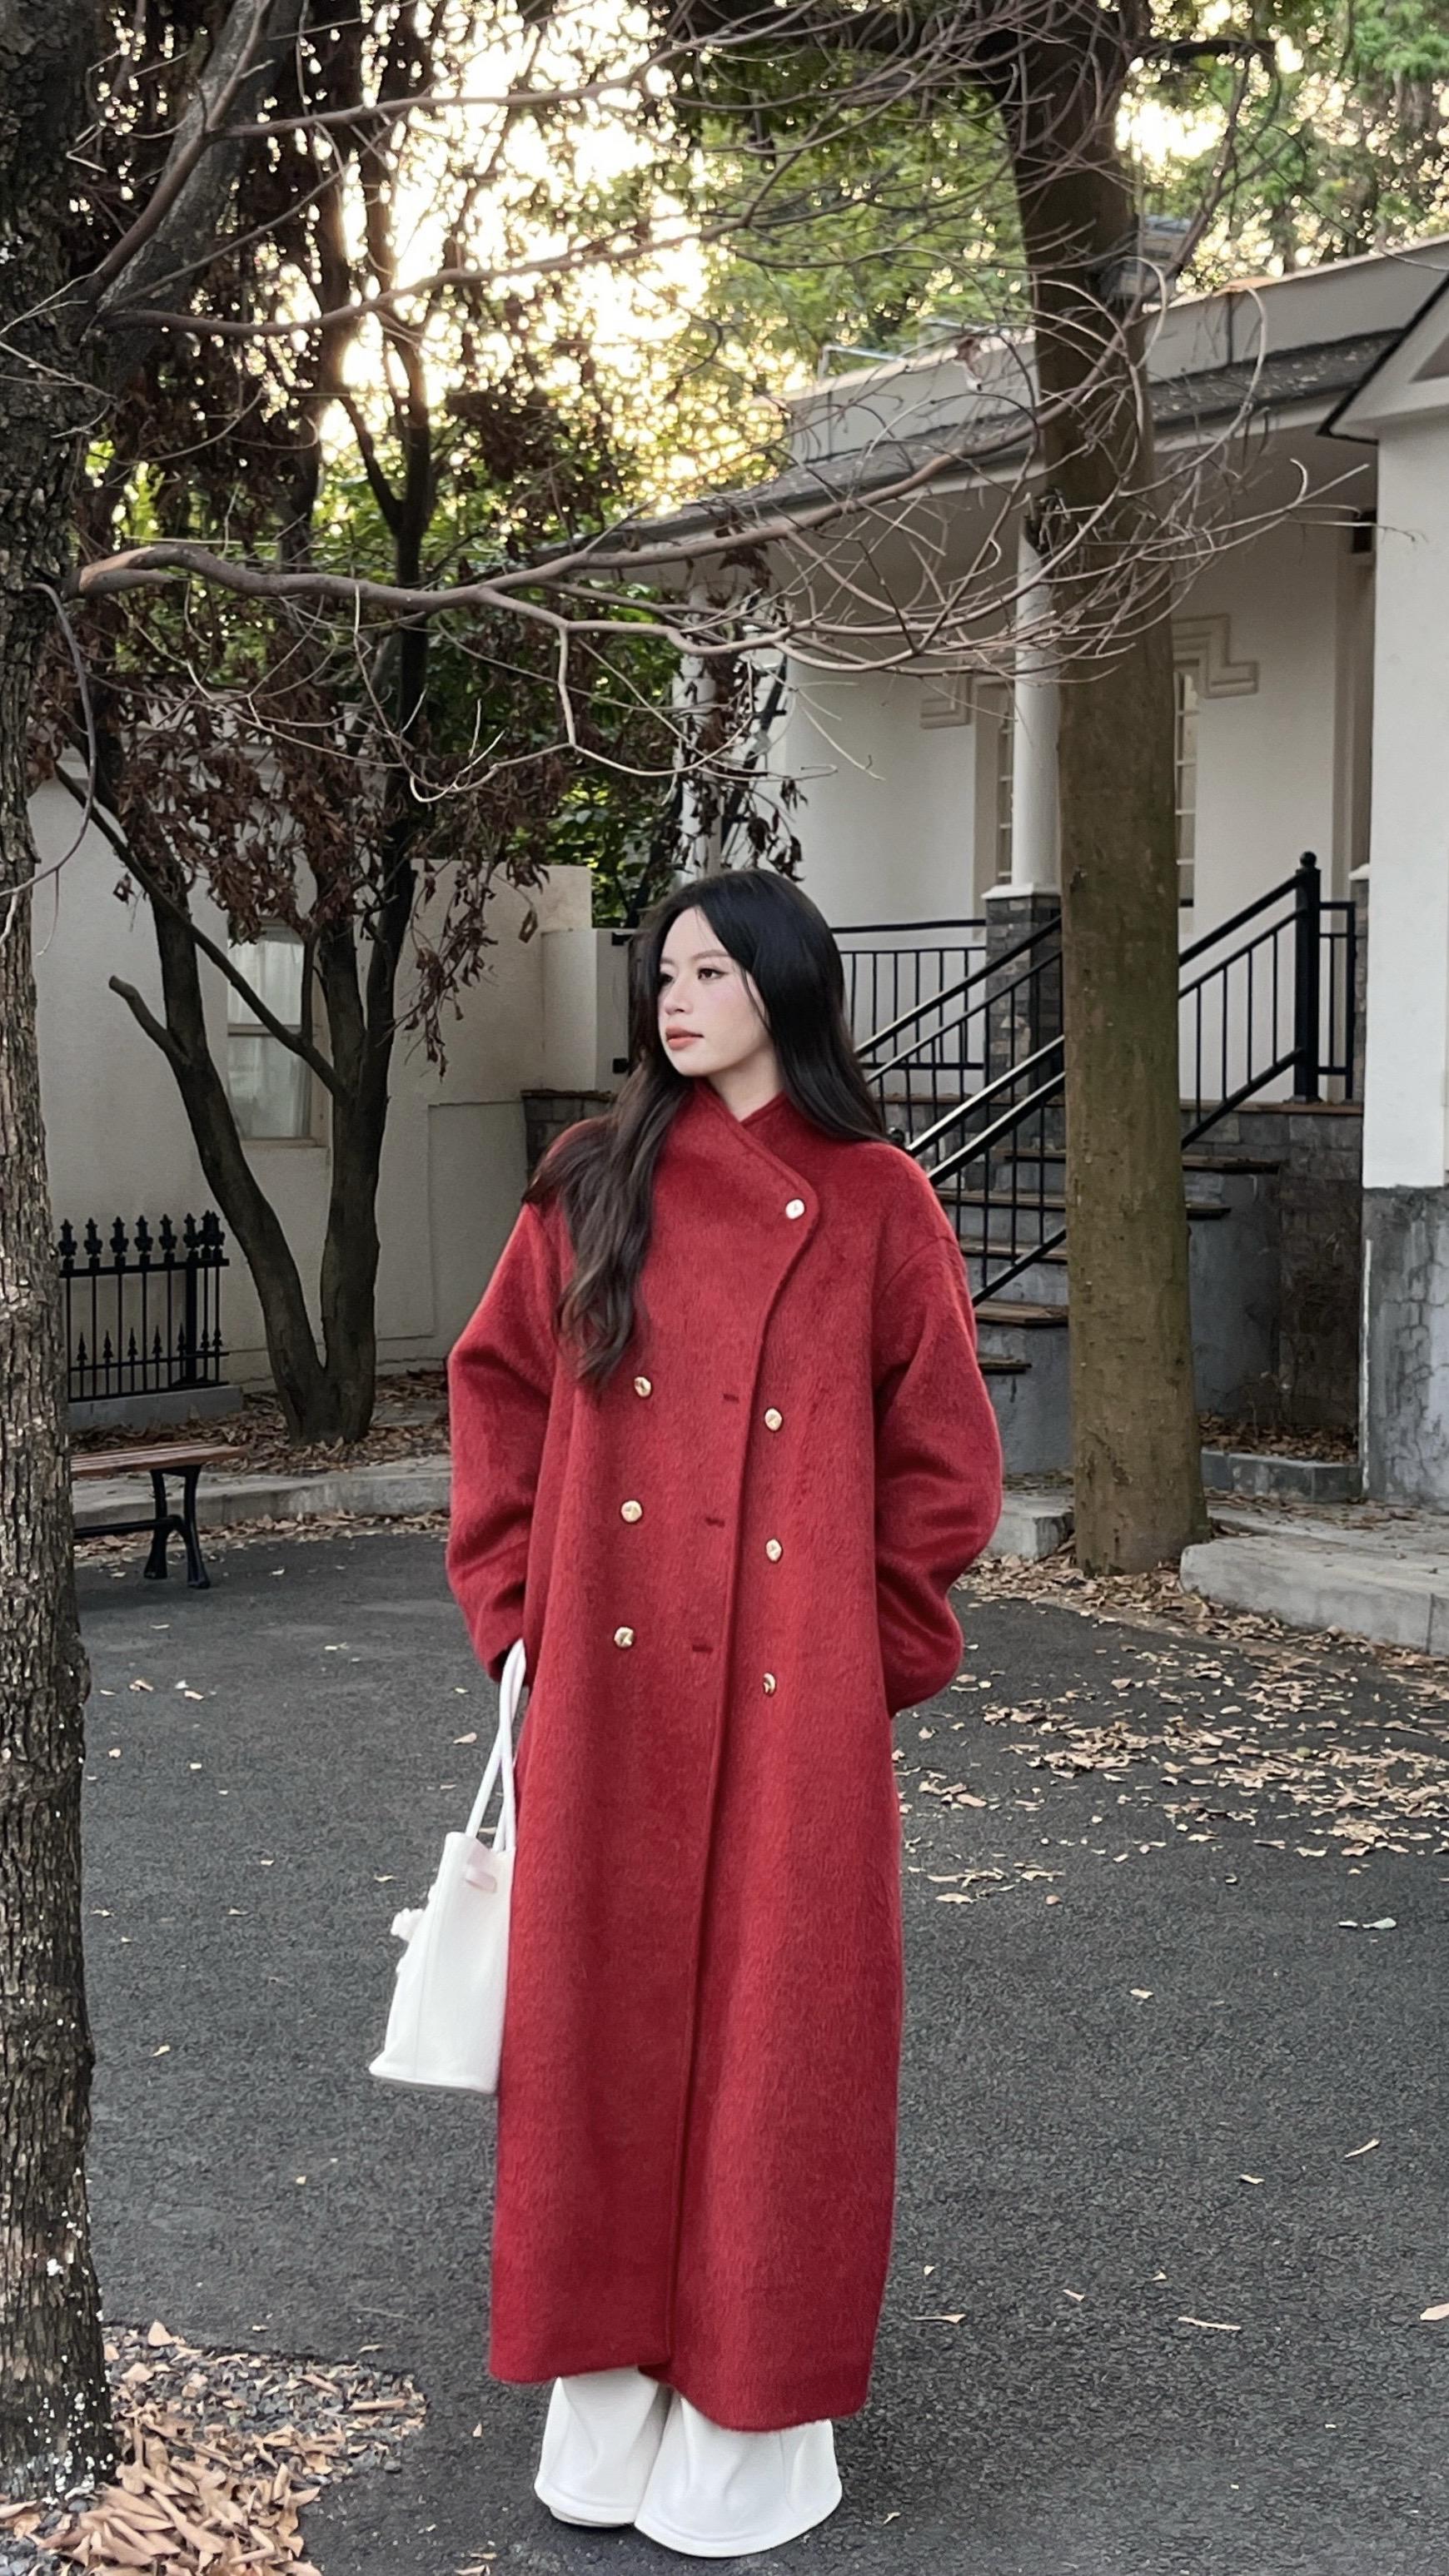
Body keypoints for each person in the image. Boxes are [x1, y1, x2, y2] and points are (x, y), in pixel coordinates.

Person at [446, 868, 1003, 2557]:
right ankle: (605, 2406)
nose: (674, 1001)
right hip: (607, 1695)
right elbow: (497, 1391)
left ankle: (749, 2418)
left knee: (784, 2042)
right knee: (599, 2039)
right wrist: (519, 1616)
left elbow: (946, 1463)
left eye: (708, 971)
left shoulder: (879, 1200)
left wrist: (860, 1650)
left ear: (784, 986)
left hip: (788, 1709)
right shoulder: (591, 1178)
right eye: (662, 974)